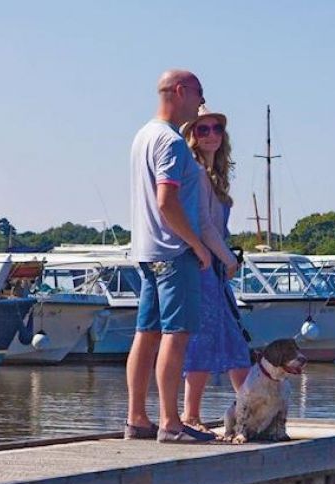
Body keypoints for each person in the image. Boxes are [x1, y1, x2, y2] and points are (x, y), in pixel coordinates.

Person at [125, 70, 216, 443]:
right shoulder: (172, 142)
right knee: (175, 336)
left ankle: (136, 418)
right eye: (199, 94)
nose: (201, 103)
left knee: (145, 333)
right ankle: (170, 422)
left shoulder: (142, 136)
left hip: (146, 251)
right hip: (173, 252)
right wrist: (196, 244)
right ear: (180, 91)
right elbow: (167, 201)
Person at [179, 106, 253, 432]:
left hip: (214, 269)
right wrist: (230, 259)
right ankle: (190, 414)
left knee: (231, 339)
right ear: (191, 136)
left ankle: (251, 407)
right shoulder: (196, 172)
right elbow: (206, 227)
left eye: (216, 129)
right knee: (205, 339)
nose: (210, 135)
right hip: (205, 266)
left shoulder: (212, 175)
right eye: (202, 129)